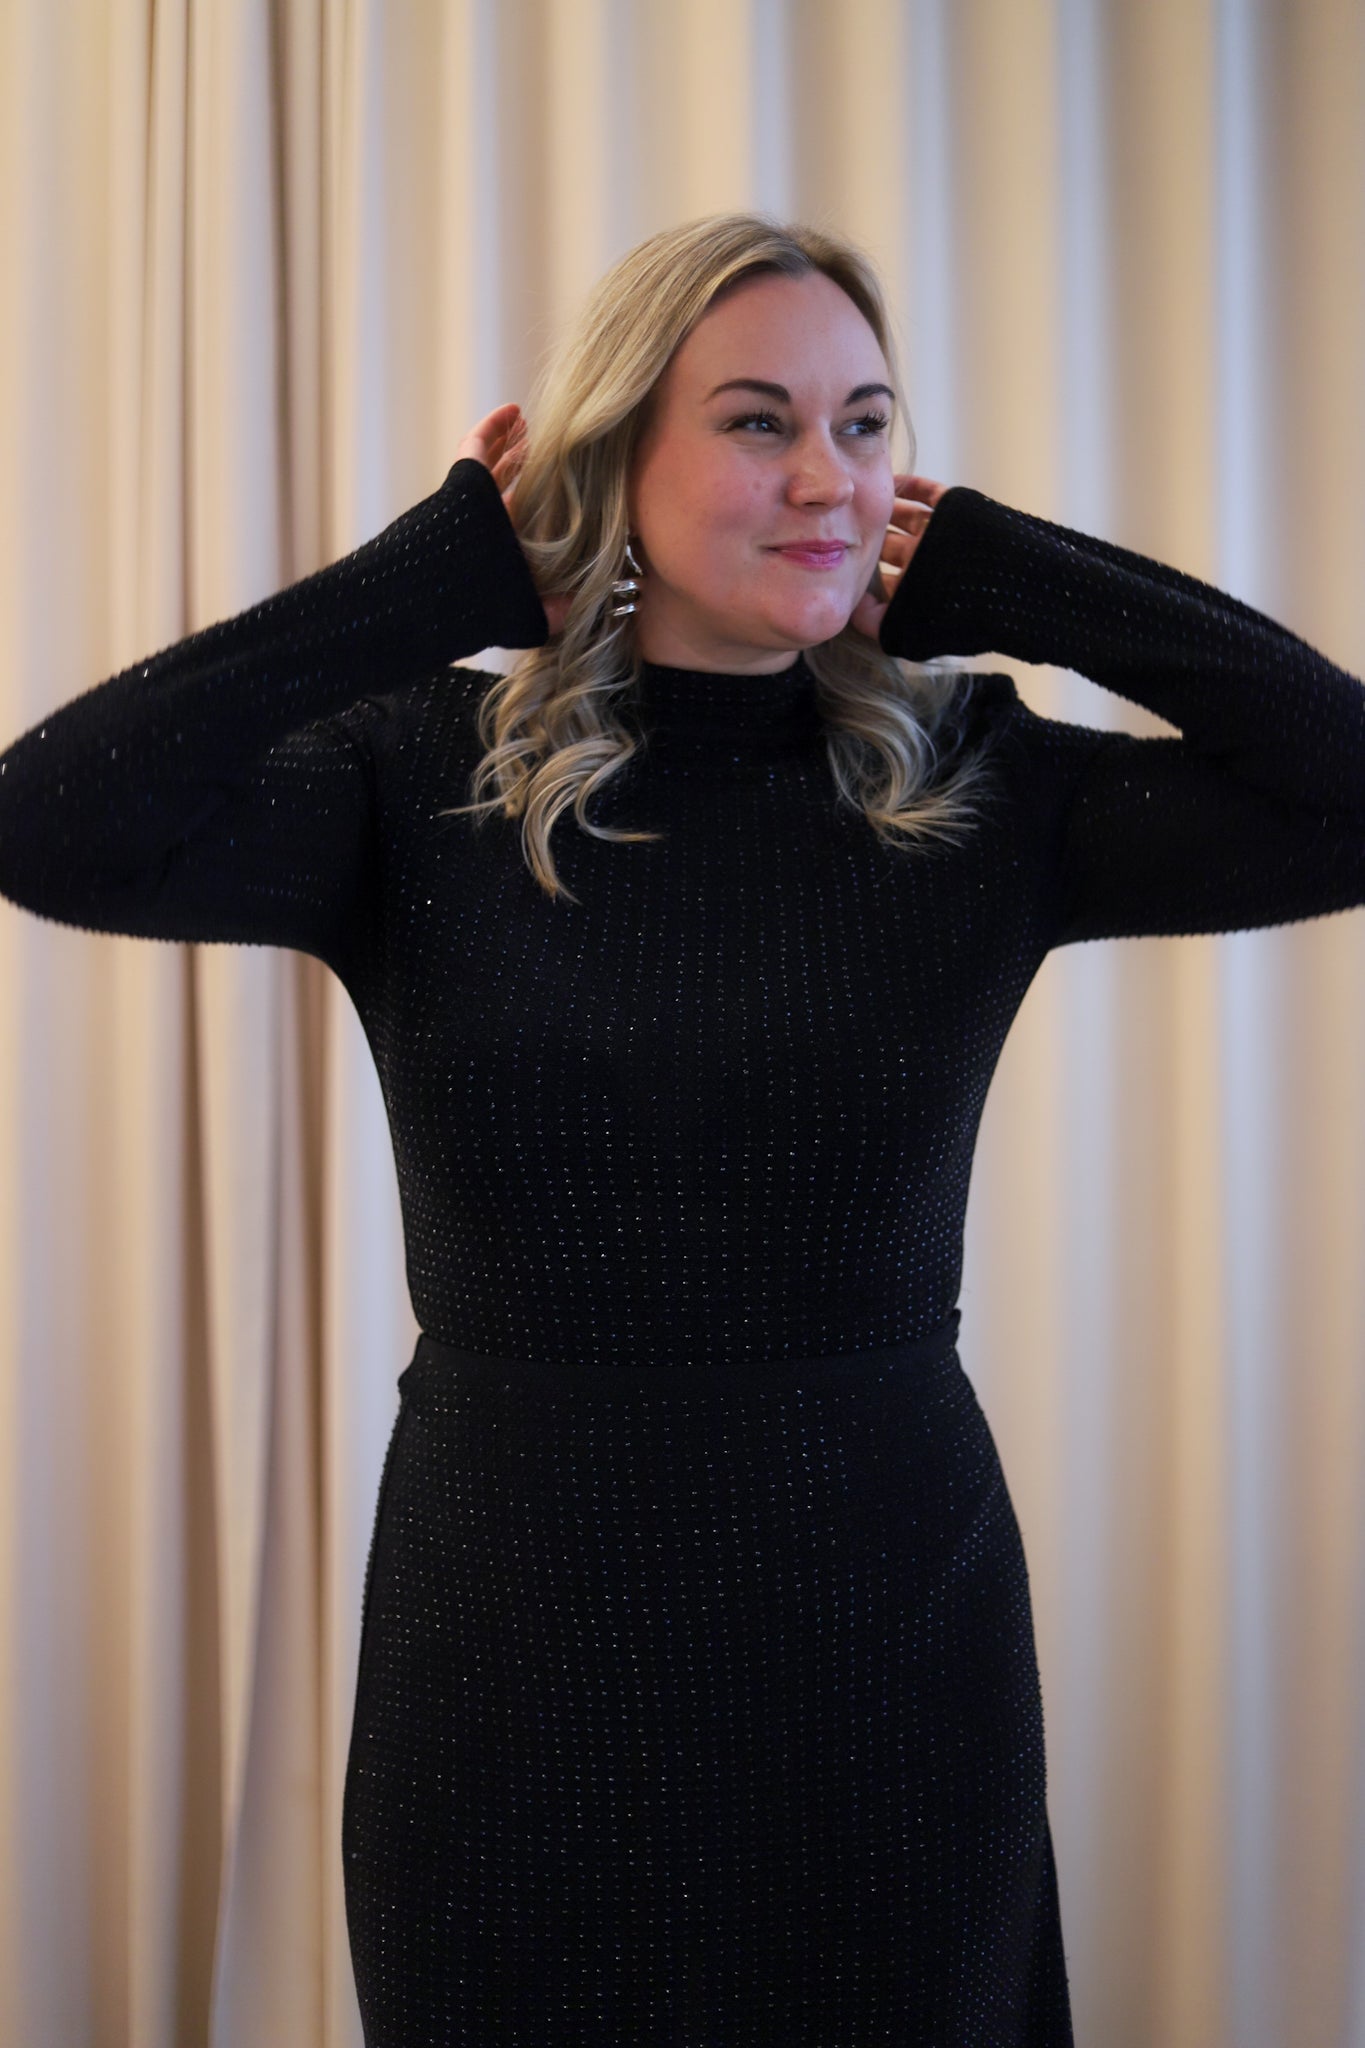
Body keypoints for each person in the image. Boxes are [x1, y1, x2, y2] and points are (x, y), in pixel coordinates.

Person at [1, 211, 1363, 2047]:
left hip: (888, 1653)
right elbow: (50, 823)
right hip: (511, 1660)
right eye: (754, 422)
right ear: (609, 459)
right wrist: (426, 580)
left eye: (863, 424)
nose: (826, 478)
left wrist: (1017, 581)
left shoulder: (967, 777)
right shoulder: (424, 776)